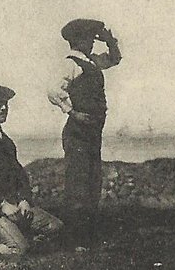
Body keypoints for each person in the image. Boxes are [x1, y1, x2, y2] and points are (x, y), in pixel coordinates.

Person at [0, 84, 63, 255]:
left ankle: (16, 238)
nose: (4, 108)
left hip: (15, 209)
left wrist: (24, 200)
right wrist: (2, 204)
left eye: (6, 104)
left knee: (56, 228)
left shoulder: (7, 142)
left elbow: (19, 175)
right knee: (18, 249)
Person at [48, 18, 122, 247]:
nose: (91, 43)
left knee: (92, 181)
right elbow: (52, 90)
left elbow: (114, 59)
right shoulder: (71, 64)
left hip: (92, 132)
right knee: (78, 183)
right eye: (88, 39)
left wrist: (110, 40)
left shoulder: (90, 62)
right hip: (78, 132)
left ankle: (87, 236)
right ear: (77, 40)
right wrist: (72, 112)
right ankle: (76, 238)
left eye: (92, 38)